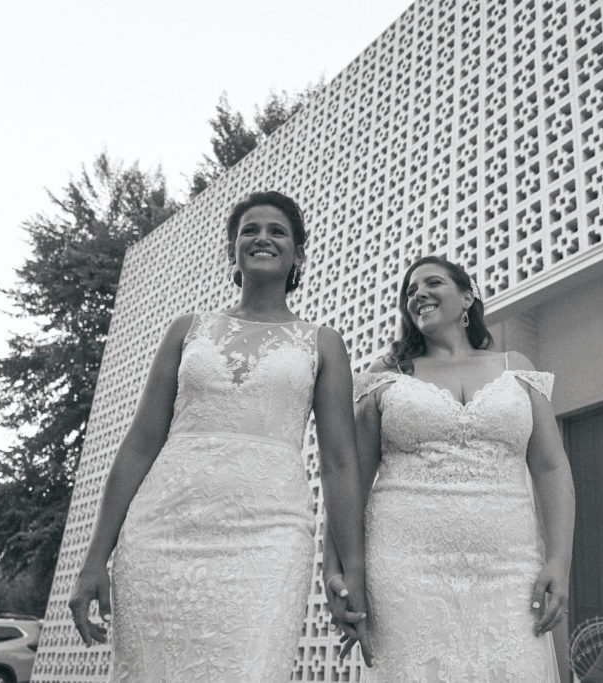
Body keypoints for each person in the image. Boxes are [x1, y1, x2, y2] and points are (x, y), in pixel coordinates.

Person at [68, 191, 369, 681]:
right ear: (232, 248)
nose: (263, 238)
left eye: (277, 231)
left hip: (268, 536)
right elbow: (141, 443)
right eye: (250, 230)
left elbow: (340, 463)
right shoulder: (188, 330)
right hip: (162, 532)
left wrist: (351, 569)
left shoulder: (322, 342)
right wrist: (94, 559)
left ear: (298, 253)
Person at [325, 255, 575, 681]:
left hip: (509, 566)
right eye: (409, 291)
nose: (417, 294)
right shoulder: (387, 374)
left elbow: (552, 469)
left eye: (432, 283)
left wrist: (559, 561)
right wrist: (336, 569)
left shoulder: (517, 368)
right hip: (405, 567)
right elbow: (350, 477)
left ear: (467, 297)